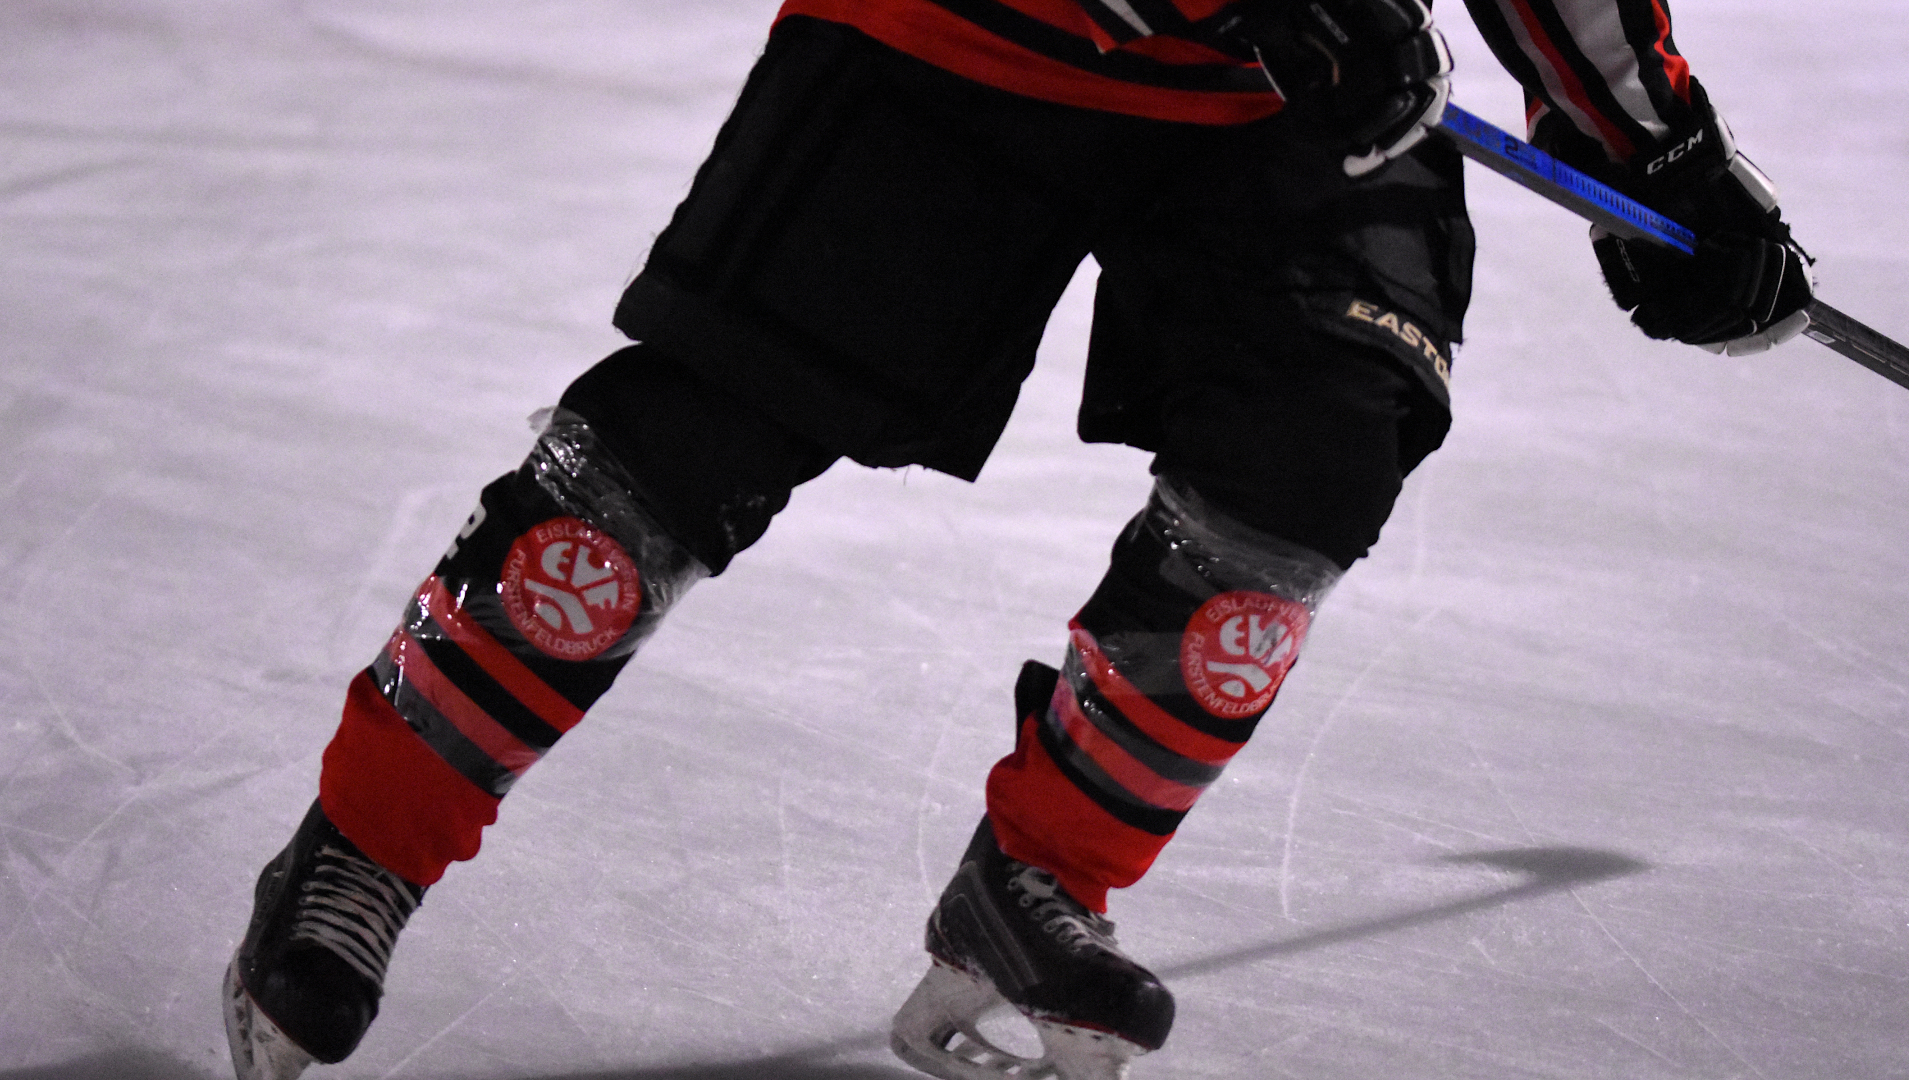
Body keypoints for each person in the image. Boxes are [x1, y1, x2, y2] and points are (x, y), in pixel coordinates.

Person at [219, 1, 1813, 1078]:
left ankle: (1042, 882)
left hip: (1297, 85)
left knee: (1312, 457)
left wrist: (1650, 145)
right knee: (679, 463)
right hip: (970, 34)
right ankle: (363, 840)